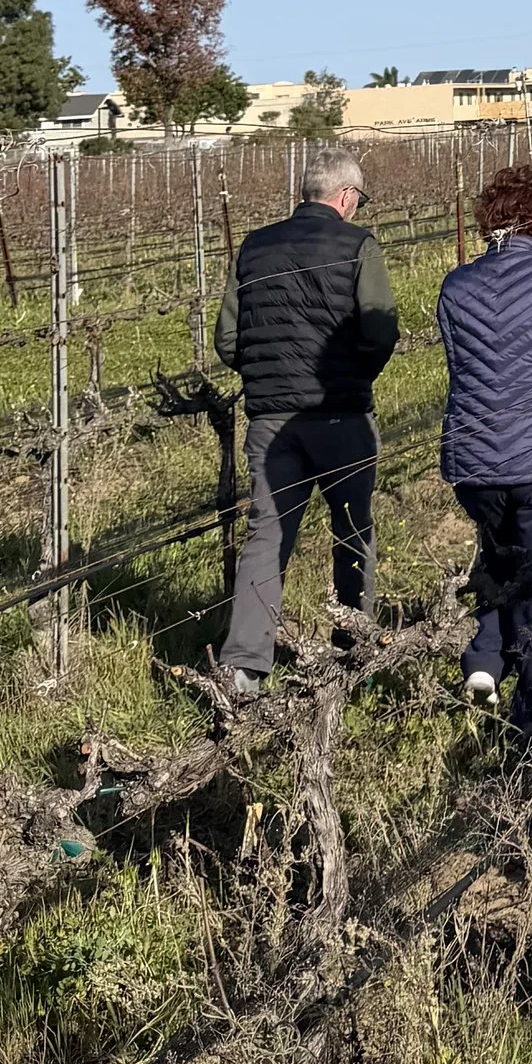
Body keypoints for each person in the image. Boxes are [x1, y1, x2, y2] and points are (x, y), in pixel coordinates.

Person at [215, 144, 400, 701]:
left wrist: (267, 376)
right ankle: (351, 651)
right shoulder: (357, 244)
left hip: (271, 421)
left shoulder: (252, 247)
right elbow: (380, 330)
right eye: (359, 200)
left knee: (267, 535)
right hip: (340, 414)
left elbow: (228, 341)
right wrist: (353, 375)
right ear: (346, 196)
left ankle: (245, 666)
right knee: (352, 530)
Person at [434, 162, 532, 740]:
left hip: (473, 458)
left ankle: (482, 660)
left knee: (495, 554)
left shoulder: (456, 285)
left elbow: (461, 365)